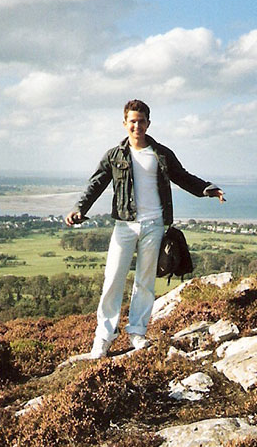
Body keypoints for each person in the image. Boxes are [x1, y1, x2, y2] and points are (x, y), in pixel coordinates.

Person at [66, 99, 225, 359]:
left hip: (154, 224)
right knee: (113, 280)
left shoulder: (161, 153)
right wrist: (79, 208)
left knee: (145, 282)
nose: (137, 125)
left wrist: (208, 189)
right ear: (125, 123)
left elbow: (183, 177)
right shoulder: (114, 155)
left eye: (141, 121)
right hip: (125, 225)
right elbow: (96, 184)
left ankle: (137, 332)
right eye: (132, 121)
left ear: (148, 123)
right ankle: (103, 339)